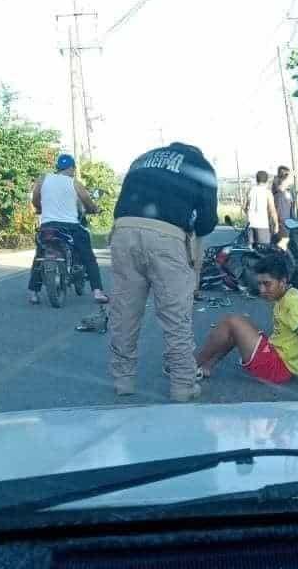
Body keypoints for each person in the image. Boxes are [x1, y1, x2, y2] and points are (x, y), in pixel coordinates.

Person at [109, 141, 218, 402]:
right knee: (175, 316)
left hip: (123, 230)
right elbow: (207, 221)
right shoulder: (201, 166)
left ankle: (123, 381)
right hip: (166, 237)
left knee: (124, 312)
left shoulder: (142, 157)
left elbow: (120, 204)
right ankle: (182, 386)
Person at [196, 251, 298, 400]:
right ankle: (208, 365)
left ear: (283, 282)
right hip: (278, 355)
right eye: (259, 284)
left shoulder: (292, 304)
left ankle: (190, 365)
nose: (262, 290)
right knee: (241, 323)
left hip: (279, 367)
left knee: (231, 322)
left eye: (267, 284)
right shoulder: (287, 294)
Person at [28, 153, 108, 305]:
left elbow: (35, 199)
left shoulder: (43, 179)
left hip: (48, 226)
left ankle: (33, 293)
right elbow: (88, 203)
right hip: (71, 227)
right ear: (71, 168)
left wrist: (40, 208)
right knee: (88, 257)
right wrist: (95, 210)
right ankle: (97, 292)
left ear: (58, 168)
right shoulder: (75, 183)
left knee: (40, 255)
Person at [244, 170, 278, 247]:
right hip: (262, 225)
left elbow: (245, 208)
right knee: (264, 251)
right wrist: (276, 225)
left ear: (256, 179)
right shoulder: (267, 192)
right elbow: (272, 210)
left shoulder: (250, 191)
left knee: (251, 251)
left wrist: (250, 216)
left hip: (250, 225)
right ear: (267, 180)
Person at [272, 166, 294, 250]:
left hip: (286, 224)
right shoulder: (280, 193)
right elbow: (281, 215)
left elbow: (291, 208)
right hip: (282, 225)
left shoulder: (286, 192)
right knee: (282, 246)